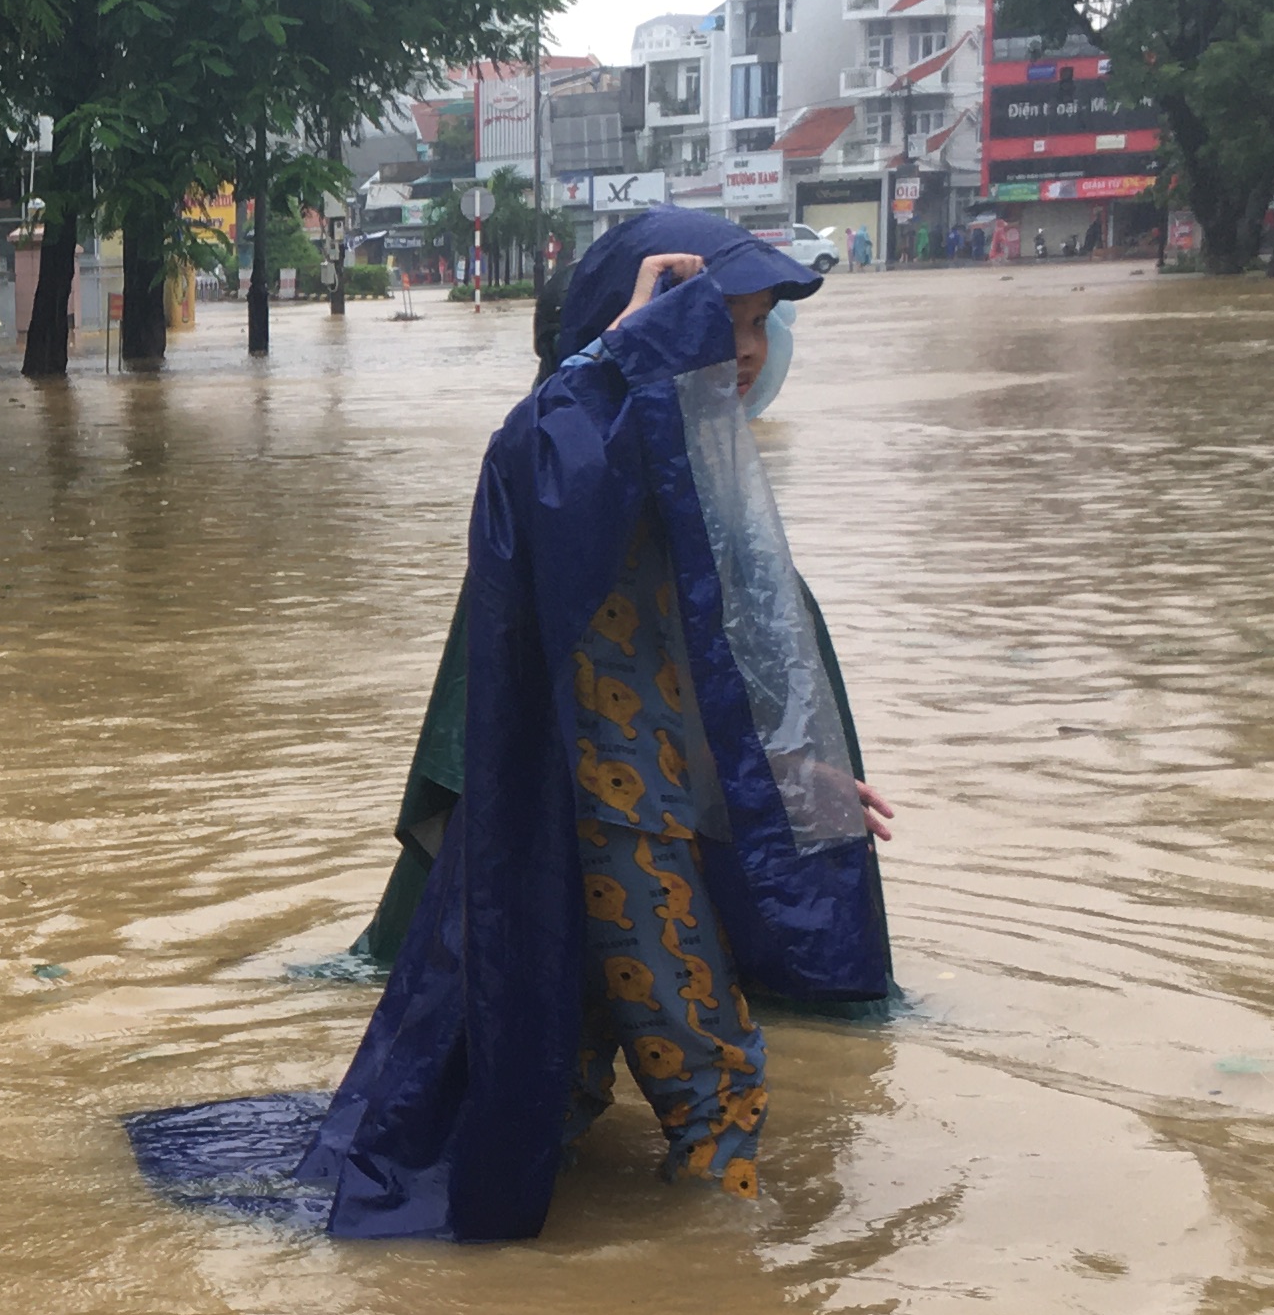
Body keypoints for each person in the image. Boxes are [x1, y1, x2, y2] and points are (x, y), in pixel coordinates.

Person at [304, 204, 898, 1239]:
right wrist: (622, 348)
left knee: (561, 1079)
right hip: (616, 825)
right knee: (712, 1089)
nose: (746, 349)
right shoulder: (581, 467)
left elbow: (717, 673)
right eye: (721, 321)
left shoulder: (694, 471)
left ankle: (558, 1301)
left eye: (758, 323)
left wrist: (798, 775)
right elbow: (531, 461)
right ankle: (724, 1296)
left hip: (632, 822)